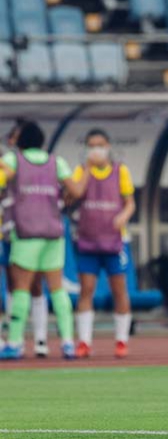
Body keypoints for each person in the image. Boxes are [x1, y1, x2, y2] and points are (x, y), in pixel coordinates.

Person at [0, 121, 83, 360]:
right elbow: (76, 191)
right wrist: (61, 199)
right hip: (53, 232)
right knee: (57, 289)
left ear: (21, 140)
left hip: (25, 233)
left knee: (22, 289)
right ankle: (68, 342)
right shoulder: (56, 162)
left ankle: (15, 342)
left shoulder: (15, 161)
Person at [71, 129, 136, 360]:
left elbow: (130, 202)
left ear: (108, 145)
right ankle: (85, 342)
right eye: (92, 145)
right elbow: (74, 195)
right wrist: (88, 169)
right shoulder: (81, 171)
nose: (96, 149)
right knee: (86, 289)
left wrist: (123, 217)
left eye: (100, 145)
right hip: (88, 240)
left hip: (115, 241)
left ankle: (121, 340)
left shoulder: (120, 171)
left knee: (119, 289)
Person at [0, 120, 51, 359]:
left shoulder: (24, 162)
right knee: (14, 284)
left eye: (16, 136)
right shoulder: (10, 160)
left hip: (26, 231)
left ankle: (38, 339)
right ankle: (13, 336)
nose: (13, 140)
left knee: (32, 284)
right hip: (13, 230)